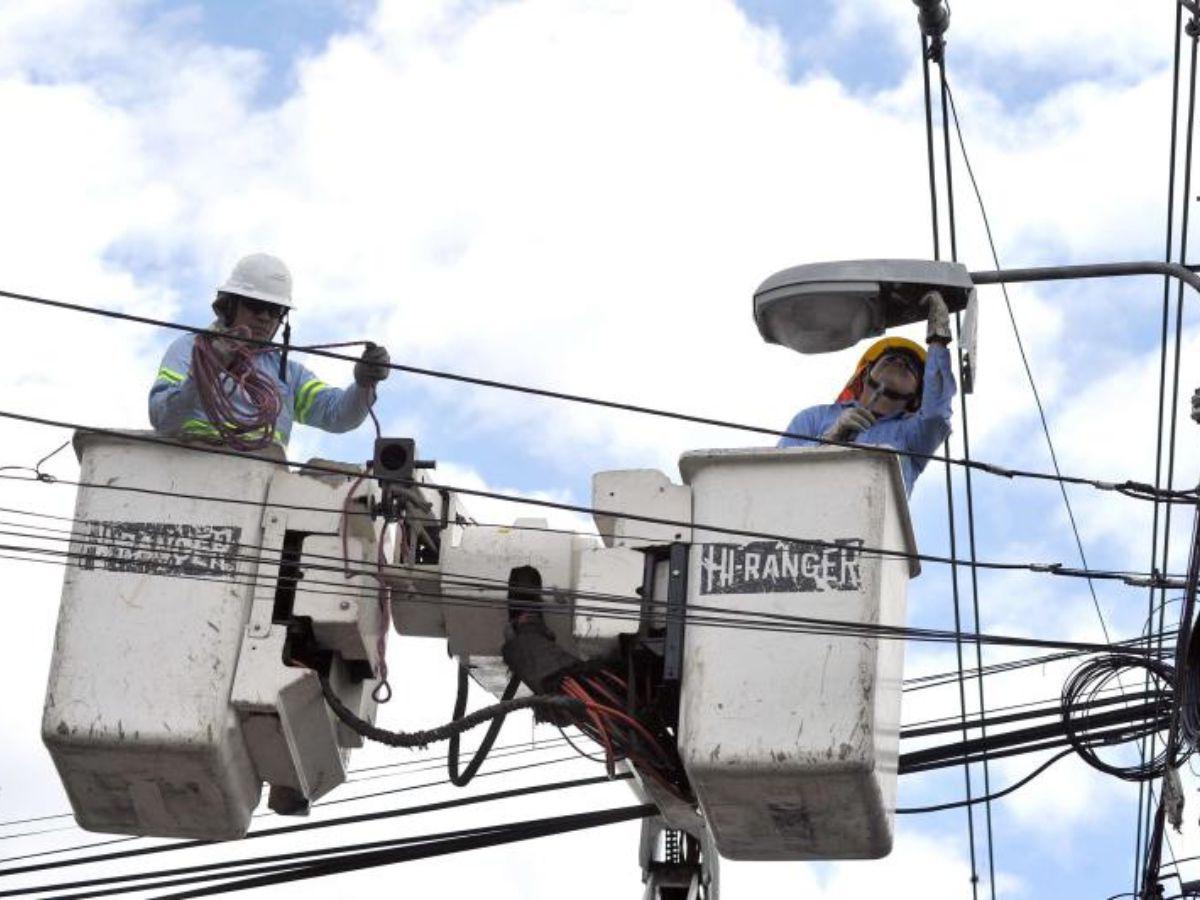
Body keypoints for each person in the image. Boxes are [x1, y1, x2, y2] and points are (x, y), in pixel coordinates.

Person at [149, 253, 391, 452]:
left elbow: (338, 415)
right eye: (255, 306)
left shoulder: (287, 373)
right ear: (229, 305)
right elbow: (163, 418)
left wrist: (363, 383)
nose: (265, 317)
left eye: (275, 310)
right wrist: (205, 375)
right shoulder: (190, 348)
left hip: (258, 483)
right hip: (189, 471)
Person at [777, 291, 955, 494]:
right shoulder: (815, 418)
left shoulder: (911, 436)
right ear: (865, 374)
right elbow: (778, 469)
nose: (900, 361)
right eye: (889, 358)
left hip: (870, 521)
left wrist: (938, 339)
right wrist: (831, 437)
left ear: (916, 398)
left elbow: (936, 415)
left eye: (911, 367)